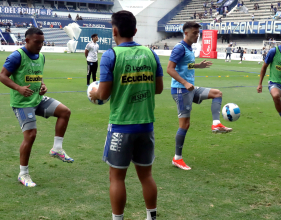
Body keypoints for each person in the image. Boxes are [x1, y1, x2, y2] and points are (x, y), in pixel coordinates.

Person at [89, 11, 163, 220]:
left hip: (122, 125)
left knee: (117, 177)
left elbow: (103, 94)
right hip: (146, 125)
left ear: (114, 31)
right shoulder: (151, 54)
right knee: (146, 176)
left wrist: (94, 92)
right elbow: (158, 88)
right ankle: (151, 217)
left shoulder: (111, 55)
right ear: (135, 30)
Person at [0, 28, 74, 187]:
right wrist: (18, 88)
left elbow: (38, 74)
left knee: (65, 112)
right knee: (31, 135)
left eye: (42, 42)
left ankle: (57, 149)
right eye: (37, 42)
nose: (40, 45)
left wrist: (43, 85)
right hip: (22, 103)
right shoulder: (17, 56)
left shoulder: (41, 56)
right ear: (26, 40)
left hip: (38, 99)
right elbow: (2, 76)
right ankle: (23, 174)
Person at [167, 21, 232, 170]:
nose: (197, 35)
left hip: (190, 88)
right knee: (185, 125)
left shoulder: (189, 49)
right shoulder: (179, 47)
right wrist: (184, 83)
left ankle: (216, 124)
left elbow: (185, 65)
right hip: (181, 90)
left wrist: (197, 66)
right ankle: (177, 158)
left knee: (217, 94)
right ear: (186, 33)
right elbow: (170, 69)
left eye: (198, 33)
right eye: (195, 33)